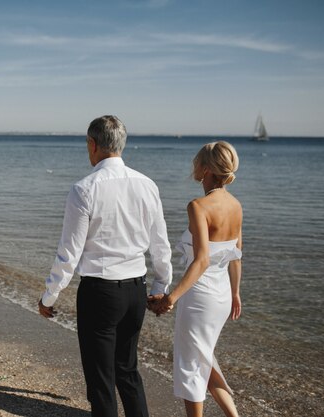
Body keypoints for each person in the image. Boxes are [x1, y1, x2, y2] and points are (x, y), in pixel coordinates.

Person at [38, 115, 173, 417]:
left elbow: (69, 253)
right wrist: (160, 288)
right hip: (135, 292)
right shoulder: (147, 185)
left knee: (101, 380)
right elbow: (160, 244)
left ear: (93, 144)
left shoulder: (84, 189)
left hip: (99, 293)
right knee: (128, 371)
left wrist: (49, 297)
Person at [150, 141, 242, 417]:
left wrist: (171, 298)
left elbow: (201, 259)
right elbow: (236, 255)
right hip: (222, 295)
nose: (194, 166)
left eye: (197, 162)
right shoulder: (236, 205)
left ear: (206, 169)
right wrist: (236, 294)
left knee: (191, 364)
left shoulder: (198, 206)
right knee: (204, 358)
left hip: (199, 297)